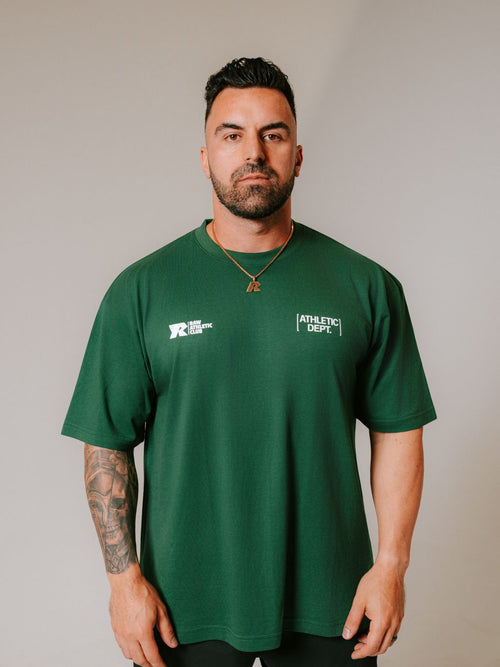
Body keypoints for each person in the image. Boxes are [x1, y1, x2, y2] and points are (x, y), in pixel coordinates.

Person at [62, 57, 436, 667]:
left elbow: (399, 430)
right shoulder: (141, 291)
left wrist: (391, 566)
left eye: (273, 134)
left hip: (335, 601)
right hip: (182, 608)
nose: (253, 152)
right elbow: (106, 444)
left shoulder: (366, 286)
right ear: (205, 156)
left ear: (298, 154)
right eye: (231, 134)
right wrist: (124, 582)